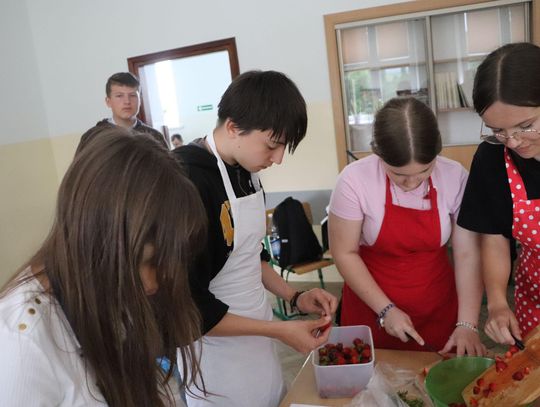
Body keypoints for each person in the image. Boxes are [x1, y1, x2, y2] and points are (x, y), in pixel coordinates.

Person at [0, 128, 206, 406]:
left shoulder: (109, 291)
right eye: (147, 262)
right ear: (96, 240)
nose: (153, 284)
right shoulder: (21, 341)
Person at [174, 70, 338, 407]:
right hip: (215, 356)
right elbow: (191, 309)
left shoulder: (246, 171)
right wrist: (280, 331)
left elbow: (250, 254)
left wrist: (294, 297)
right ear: (233, 127)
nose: (278, 158)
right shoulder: (188, 181)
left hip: (258, 334)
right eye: (272, 145)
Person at [329, 97, 485, 356]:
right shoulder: (354, 180)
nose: (412, 183)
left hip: (438, 309)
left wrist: (467, 323)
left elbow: (467, 253)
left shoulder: (454, 176)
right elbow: (344, 252)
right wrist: (385, 310)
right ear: (378, 154)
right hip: (371, 309)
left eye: (424, 170)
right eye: (399, 174)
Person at [457, 42, 540, 346]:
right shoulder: (492, 158)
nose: (513, 142)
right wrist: (496, 303)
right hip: (534, 303)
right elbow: (495, 238)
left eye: (525, 126)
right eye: (497, 130)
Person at [76, 72, 168, 153]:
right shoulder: (93, 137)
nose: (127, 101)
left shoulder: (154, 137)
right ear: (108, 102)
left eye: (132, 95)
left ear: (140, 101)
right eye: (119, 96)